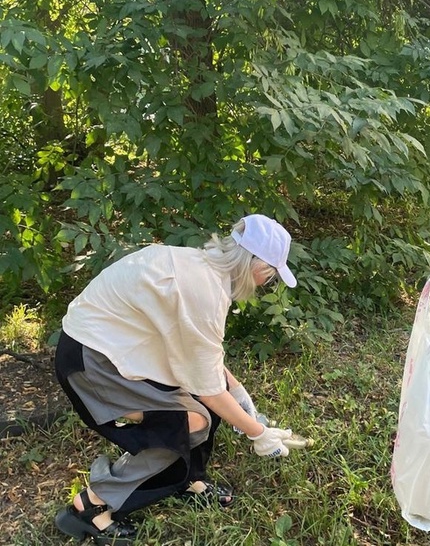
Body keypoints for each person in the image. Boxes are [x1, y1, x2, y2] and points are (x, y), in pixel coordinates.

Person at [54, 214, 298, 546]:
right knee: (186, 424)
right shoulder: (203, 292)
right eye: (270, 278)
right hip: (92, 362)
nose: (264, 284)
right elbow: (209, 389)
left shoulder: (198, 266)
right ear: (258, 268)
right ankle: (90, 505)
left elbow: (204, 359)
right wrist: (259, 433)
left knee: (206, 405)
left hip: (116, 350)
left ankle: (187, 479)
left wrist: (238, 393)